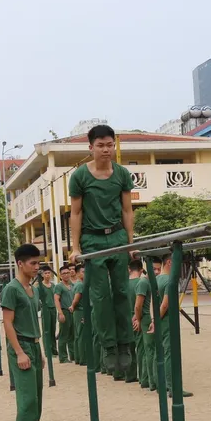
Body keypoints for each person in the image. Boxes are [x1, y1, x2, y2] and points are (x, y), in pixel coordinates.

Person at [69, 124, 136, 378]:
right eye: (100, 145)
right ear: (91, 148)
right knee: (100, 296)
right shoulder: (80, 177)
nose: (106, 149)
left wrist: (131, 242)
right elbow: (76, 213)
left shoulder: (122, 174)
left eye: (110, 144)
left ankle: (124, 344)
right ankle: (108, 346)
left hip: (117, 236)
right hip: (93, 240)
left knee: (121, 291)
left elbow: (127, 210)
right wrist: (75, 247)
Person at [1, 244, 54, 421]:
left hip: (32, 344)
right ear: (19, 264)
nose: (37, 267)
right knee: (27, 400)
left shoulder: (32, 288)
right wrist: (20, 352)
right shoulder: (12, 289)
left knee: (37, 398)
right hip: (20, 346)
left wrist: (38, 350)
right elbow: (8, 322)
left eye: (38, 263)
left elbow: (32, 321)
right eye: (32, 263)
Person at [155, 253, 192, 398]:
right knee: (171, 354)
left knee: (162, 353)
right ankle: (173, 386)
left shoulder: (157, 279)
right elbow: (164, 305)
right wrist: (157, 319)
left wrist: (154, 319)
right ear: (170, 262)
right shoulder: (170, 281)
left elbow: (154, 302)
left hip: (160, 320)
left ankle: (162, 384)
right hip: (167, 321)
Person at [134, 260, 156, 391]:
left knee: (145, 349)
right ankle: (151, 381)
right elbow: (138, 305)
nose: (157, 272)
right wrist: (138, 319)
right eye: (154, 268)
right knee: (150, 351)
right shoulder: (143, 282)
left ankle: (145, 379)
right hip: (146, 318)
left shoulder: (149, 282)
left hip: (145, 317)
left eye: (159, 269)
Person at [125, 259, 145, 383]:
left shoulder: (123, 285)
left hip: (124, 318)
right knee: (141, 349)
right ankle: (143, 377)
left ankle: (129, 375)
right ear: (141, 270)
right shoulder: (142, 283)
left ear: (129, 269)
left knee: (128, 348)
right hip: (137, 317)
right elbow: (140, 305)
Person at [39, 265, 60, 362]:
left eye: (49, 273)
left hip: (53, 309)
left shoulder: (54, 286)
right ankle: (48, 351)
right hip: (45, 309)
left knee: (53, 329)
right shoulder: (40, 286)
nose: (47, 275)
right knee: (46, 330)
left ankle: (54, 349)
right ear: (42, 275)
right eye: (45, 273)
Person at [57, 266, 76, 363]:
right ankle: (63, 357)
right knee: (63, 335)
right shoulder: (59, 286)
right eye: (64, 273)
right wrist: (60, 313)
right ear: (60, 275)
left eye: (67, 272)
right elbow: (56, 299)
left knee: (72, 335)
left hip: (73, 311)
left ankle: (73, 355)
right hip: (64, 311)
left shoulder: (72, 285)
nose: (66, 275)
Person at [71, 266, 86, 366]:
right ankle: (83, 358)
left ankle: (77, 357)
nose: (85, 273)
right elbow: (76, 299)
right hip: (80, 311)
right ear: (78, 273)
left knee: (77, 335)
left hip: (77, 312)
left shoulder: (76, 284)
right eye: (83, 272)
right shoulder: (80, 285)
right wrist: (72, 306)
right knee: (81, 335)